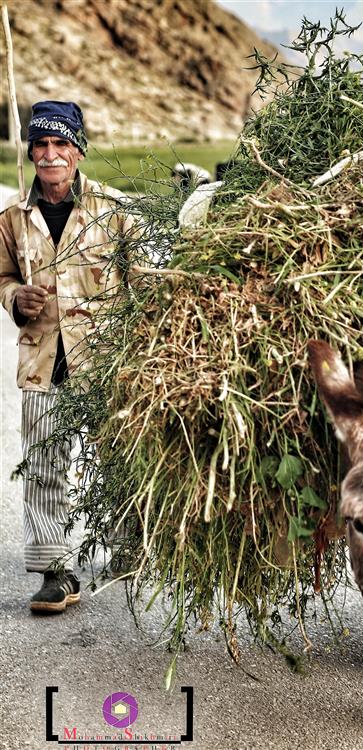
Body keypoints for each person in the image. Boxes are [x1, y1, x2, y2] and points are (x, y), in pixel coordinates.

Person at [0, 101, 139, 614]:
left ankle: (131, 543)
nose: (51, 154)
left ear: (78, 150)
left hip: (103, 359)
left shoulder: (115, 210)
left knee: (117, 457)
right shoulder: (13, 217)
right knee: (42, 462)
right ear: (30, 151)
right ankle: (55, 571)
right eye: (41, 144)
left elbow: (142, 286)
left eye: (61, 144)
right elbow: (3, 276)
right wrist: (16, 298)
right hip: (42, 361)